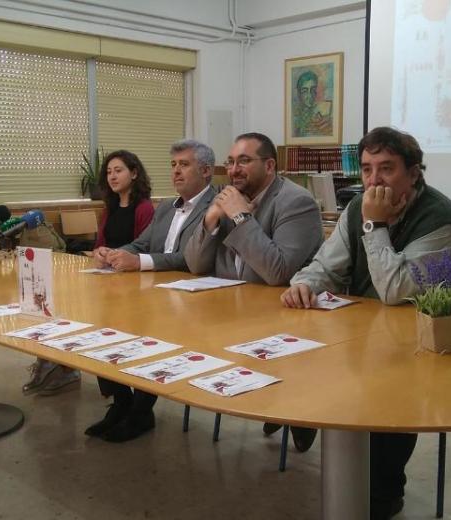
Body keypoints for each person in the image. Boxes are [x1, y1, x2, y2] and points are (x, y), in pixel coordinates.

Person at [280, 126, 451, 520]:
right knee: (299, 360)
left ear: (414, 172)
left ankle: (385, 491)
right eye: (367, 169)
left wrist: (374, 225)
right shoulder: (357, 207)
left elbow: (395, 289)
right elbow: (326, 266)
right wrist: (303, 284)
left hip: (419, 343)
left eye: (386, 169)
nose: (373, 180)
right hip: (362, 332)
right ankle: (310, 423)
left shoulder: (439, 217)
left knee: (390, 400)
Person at [184, 132, 323, 452]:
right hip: (232, 316)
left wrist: (240, 216)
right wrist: (210, 220)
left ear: (270, 165)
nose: (234, 169)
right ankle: (273, 404)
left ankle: (298, 412)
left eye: (244, 161)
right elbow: (193, 264)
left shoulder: (296, 202)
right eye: (230, 162)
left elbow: (278, 273)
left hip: (284, 322)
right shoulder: (227, 197)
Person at [85, 139, 216, 443]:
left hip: (192, 299)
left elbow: (189, 258)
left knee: (147, 335)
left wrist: (139, 261)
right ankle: (121, 402)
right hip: (153, 292)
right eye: (173, 165)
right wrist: (114, 253)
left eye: (184, 165)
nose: (176, 172)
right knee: (102, 325)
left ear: (206, 171)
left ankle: (141, 411)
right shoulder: (167, 206)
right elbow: (142, 243)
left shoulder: (215, 207)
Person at [22, 150, 154, 397]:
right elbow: (99, 244)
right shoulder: (110, 208)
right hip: (107, 278)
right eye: (109, 172)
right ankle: (63, 366)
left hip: (133, 284)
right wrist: (100, 252)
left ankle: (123, 393)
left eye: (119, 170)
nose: (112, 176)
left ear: (134, 173)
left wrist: (115, 256)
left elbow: (144, 247)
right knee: (68, 307)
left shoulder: (144, 208)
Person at [293, 70, 332, 138]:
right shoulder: (295, 116)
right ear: (299, 94)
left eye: (313, 90)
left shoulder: (322, 110)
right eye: (305, 91)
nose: (310, 95)